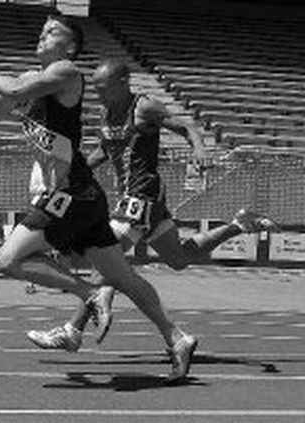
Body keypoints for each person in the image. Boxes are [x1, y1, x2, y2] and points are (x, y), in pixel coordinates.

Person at [0, 15, 199, 382]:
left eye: (53, 31)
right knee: (123, 278)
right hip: (83, 195)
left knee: (8, 260)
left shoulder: (67, 73)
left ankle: (89, 294)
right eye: (42, 29)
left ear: (71, 47)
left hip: (69, 194)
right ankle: (178, 338)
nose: (43, 34)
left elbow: (12, 94)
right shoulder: (30, 82)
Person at [29, 57, 278, 350]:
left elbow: (187, 126)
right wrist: (77, 171)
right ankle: (240, 225)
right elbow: (105, 150)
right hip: (136, 198)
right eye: (94, 88)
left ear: (123, 83)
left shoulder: (144, 106)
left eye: (103, 87)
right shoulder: (105, 111)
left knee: (104, 258)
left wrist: (199, 150)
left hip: (142, 195)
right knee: (178, 258)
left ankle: (73, 330)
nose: (98, 93)